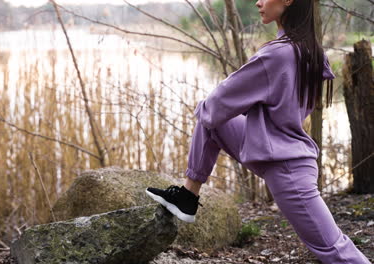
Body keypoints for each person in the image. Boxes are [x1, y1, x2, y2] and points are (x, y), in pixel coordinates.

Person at [145, 0, 371, 263]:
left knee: (334, 249)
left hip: (288, 169)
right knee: (213, 121)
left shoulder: (277, 54)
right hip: (278, 150)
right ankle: (188, 195)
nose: (258, 2)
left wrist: (221, 107)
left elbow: (217, 103)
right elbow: (231, 113)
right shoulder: (309, 49)